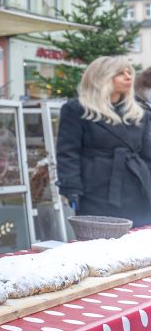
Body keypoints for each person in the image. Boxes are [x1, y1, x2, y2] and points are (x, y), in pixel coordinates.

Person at [56, 56, 151, 227]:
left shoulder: (138, 112)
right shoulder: (76, 109)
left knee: (138, 243)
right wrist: (71, 189)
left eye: (129, 72)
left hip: (138, 185)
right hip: (96, 188)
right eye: (120, 73)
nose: (128, 77)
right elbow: (68, 153)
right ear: (102, 77)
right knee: (101, 242)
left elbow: (147, 153)